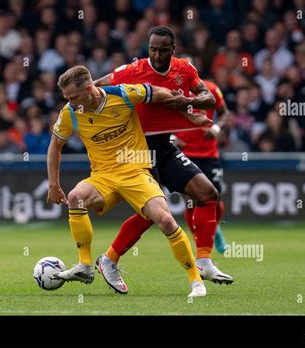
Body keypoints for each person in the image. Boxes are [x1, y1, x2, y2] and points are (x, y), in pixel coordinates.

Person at [94, 26, 233, 293]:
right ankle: (108, 260)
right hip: (137, 150)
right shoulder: (132, 71)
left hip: (165, 146)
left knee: (207, 193)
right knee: (153, 213)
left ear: (173, 49)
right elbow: (98, 86)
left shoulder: (185, 70)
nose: (157, 55)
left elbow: (208, 99)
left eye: (163, 50)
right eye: (153, 49)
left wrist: (184, 103)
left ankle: (203, 260)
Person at [47, 65, 207, 297]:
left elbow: (160, 93)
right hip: (103, 177)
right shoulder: (70, 113)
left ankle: (196, 281)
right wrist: (53, 184)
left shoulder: (122, 94)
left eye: (74, 97)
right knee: (75, 197)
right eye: (67, 98)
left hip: (136, 172)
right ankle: (85, 266)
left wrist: (187, 111)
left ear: (90, 89)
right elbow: (55, 145)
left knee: (165, 220)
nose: (70, 103)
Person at [172, 56, 230, 255]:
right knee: (190, 200)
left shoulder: (211, 89)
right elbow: (158, 119)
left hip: (209, 154)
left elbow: (224, 113)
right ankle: (200, 240)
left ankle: (215, 228)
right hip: (183, 154)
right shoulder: (173, 92)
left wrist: (216, 128)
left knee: (216, 198)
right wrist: (171, 137)